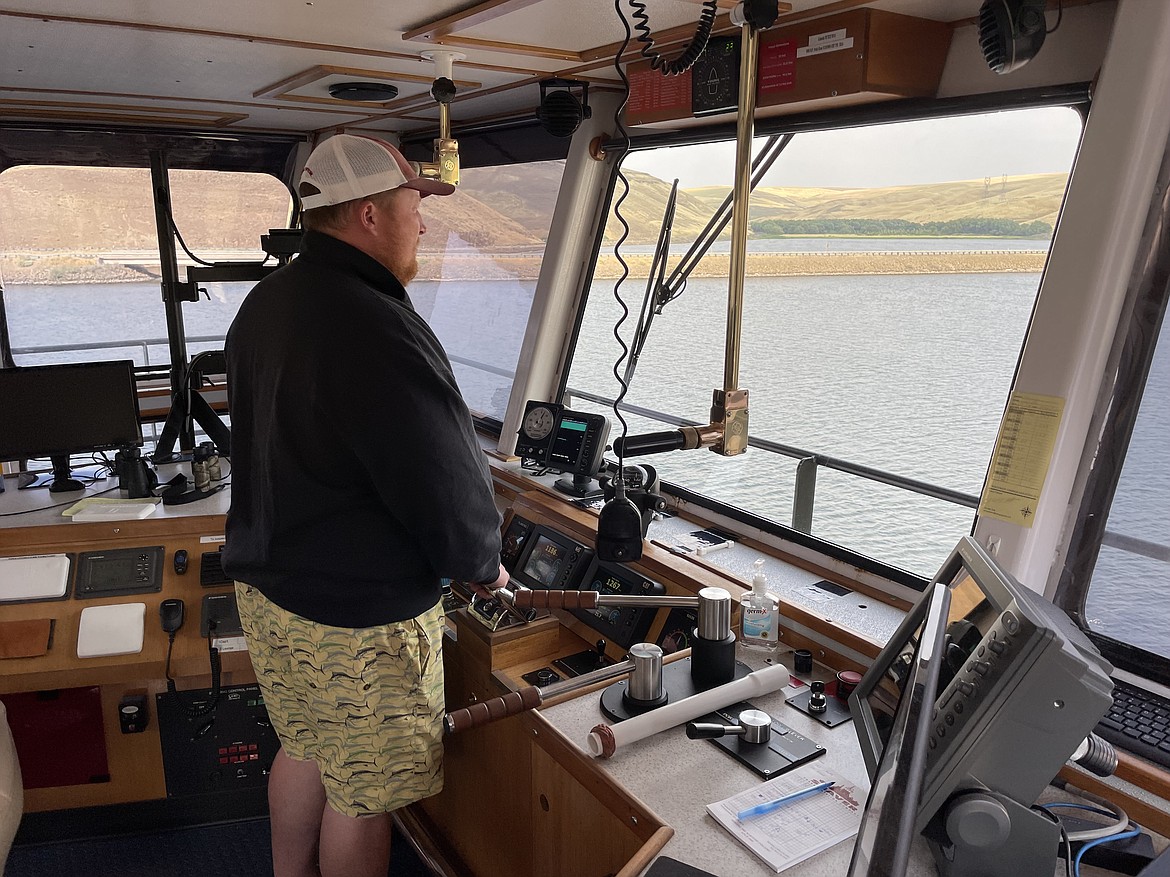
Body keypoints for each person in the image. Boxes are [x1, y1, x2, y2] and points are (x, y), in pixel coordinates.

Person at [222, 133, 508, 877]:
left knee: (306, 747)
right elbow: (444, 482)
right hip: (355, 619)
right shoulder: (378, 325)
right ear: (372, 215)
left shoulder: (267, 300)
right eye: (417, 204)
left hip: (271, 593)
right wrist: (484, 565)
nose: (426, 222)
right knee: (364, 796)